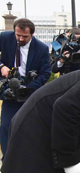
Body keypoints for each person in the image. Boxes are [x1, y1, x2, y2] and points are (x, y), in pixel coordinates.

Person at [0, 19, 51, 158]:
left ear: (32, 34)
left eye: (25, 36)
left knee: (31, 129)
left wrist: (28, 88)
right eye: (18, 35)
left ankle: (30, 164)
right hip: (8, 91)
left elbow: (46, 73)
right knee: (6, 128)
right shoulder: (4, 38)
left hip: (30, 93)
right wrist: (1, 66)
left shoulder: (42, 48)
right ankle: (8, 166)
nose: (20, 39)